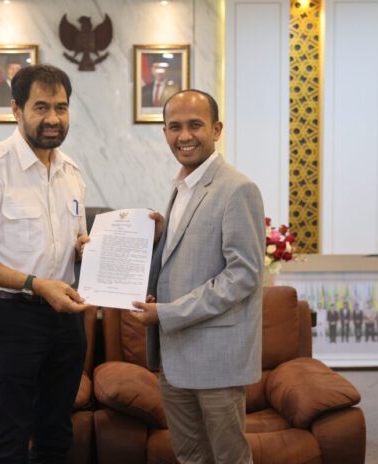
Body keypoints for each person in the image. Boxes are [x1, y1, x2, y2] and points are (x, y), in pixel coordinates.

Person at [0, 64, 92, 463]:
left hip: (65, 321)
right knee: (10, 443)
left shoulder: (72, 172)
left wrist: (88, 249)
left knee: (55, 437)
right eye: (41, 107)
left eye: (61, 107)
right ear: (16, 109)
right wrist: (35, 284)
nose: (53, 118)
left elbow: (73, 245)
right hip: (9, 319)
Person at [132, 89, 265, 464]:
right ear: (164, 133)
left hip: (216, 359)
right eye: (175, 127)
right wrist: (161, 238)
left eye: (195, 125)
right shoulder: (181, 186)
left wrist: (167, 313)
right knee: (190, 457)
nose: (184, 136)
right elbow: (186, 258)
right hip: (175, 356)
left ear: (216, 129)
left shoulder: (237, 188)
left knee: (229, 458)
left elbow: (243, 275)